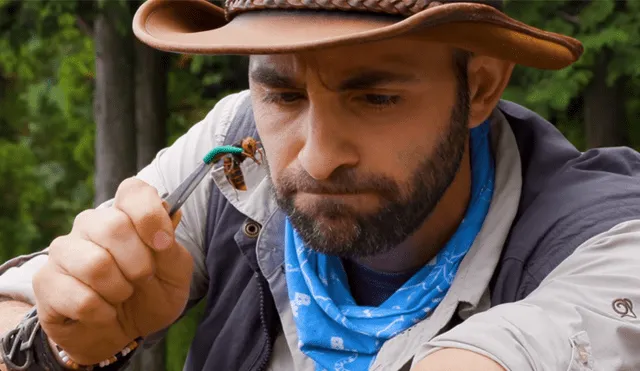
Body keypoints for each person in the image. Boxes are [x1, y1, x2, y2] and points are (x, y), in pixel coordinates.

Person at [1, 0, 640, 370]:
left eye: (377, 97)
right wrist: (66, 339)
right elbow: (20, 310)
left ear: (479, 87)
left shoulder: (602, 234)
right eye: (282, 92)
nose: (317, 155)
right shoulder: (235, 143)